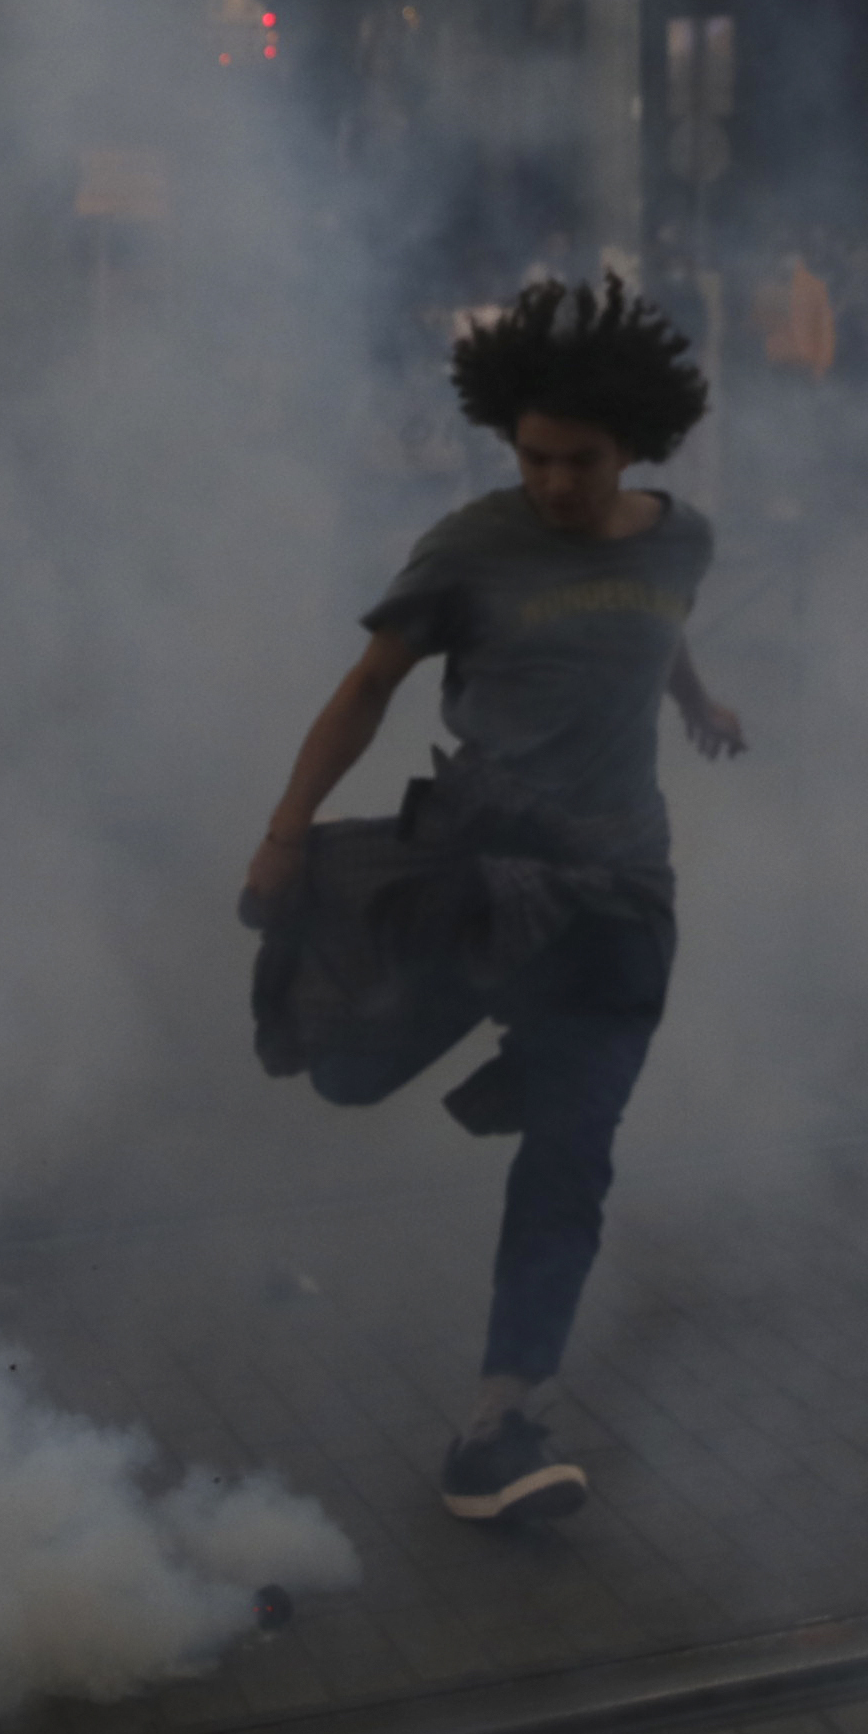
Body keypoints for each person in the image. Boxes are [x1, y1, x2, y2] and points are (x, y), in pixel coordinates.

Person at [242, 277, 745, 1525]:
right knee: (349, 1072)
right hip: (476, 878)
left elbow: (659, 623)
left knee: (572, 1162)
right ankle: (511, 1047)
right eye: (533, 458)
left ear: (632, 449)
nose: (556, 486)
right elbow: (368, 688)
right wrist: (284, 832)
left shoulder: (683, 538)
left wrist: (697, 703)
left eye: (580, 462)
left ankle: (499, 1428)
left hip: (620, 901)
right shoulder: (473, 546)